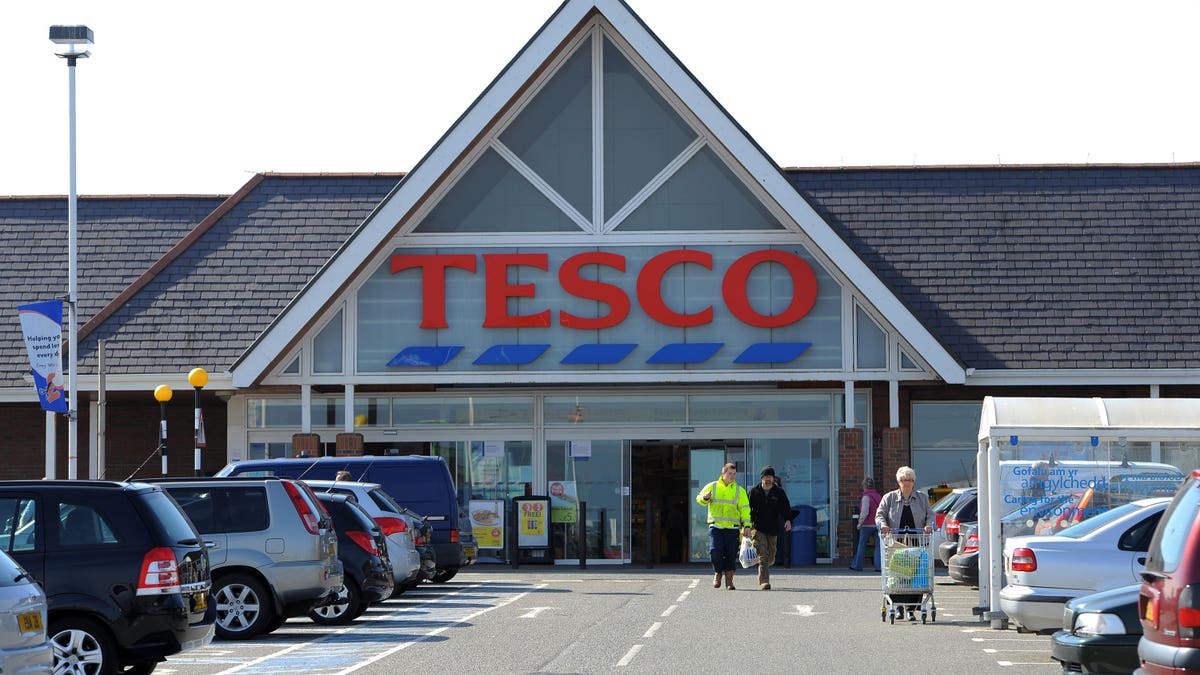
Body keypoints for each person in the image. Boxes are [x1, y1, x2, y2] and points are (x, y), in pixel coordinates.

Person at [696, 462, 751, 590]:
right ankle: (718, 573)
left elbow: (745, 510)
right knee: (715, 551)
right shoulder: (713, 486)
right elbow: (699, 498)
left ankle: (729, 581)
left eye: (734, 474)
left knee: (731, 554)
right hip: (716, 527)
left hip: (732, 528)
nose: (732, 476)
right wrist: (705, 498)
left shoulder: (739, 490)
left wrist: (747, 525)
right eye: (730, 473)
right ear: (723, 474)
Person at [748, 466, 792, 590]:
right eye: (766, 477)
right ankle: (764, 581)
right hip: (758, 528)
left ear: (773, 478)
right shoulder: (754, 492)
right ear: (762, 478)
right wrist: (746, 525)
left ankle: (766, 565)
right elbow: (747, 510)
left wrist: (788, 520)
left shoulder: (779, 492)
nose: (768, 479)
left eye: (770, 477)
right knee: (763, 555)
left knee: (771, 557)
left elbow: (786, 508)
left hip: (773, 528)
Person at [875, 466, 935, 536]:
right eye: (904, 480)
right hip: (894, 541)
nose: (907, 483)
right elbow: (880, 515)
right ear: (899, 482)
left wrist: (929, 525)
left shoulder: (923, 498)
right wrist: (883, 525)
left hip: (919, 540)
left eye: (910, 480)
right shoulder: (888, 498)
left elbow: (930, 515)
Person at [849, 477, 882, 571]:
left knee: (862, 545)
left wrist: (860, 523)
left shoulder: (866, 497)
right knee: (878, 546)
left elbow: (864, 512)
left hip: (867, 525)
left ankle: (857, 565)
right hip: (878, 524)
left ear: (864, 486)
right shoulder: (879, 496)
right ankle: (879, 567)